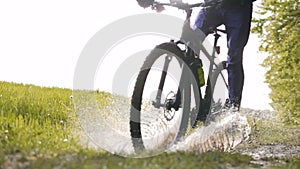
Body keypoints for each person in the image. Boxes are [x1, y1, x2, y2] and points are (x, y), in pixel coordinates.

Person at [136, 0, 255, 111]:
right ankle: (188, 91)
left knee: (234, 56)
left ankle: (233, 107)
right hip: (211, 8)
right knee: (191, 42)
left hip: (238, 8)